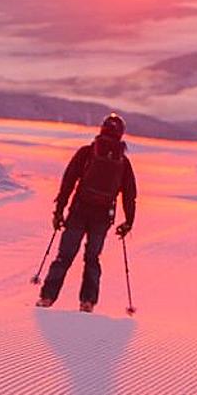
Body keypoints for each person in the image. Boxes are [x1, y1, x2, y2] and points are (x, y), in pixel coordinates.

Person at [39, 113, 138, 311]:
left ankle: (47, 298)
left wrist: (59, 211)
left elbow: (68, 182)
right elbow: (129, 195)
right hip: (102, 217)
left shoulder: (86, 153)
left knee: (64, 256)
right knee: (92, 258)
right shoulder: (123, 163)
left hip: (78, 210)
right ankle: (87, 302)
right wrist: (128, 222)